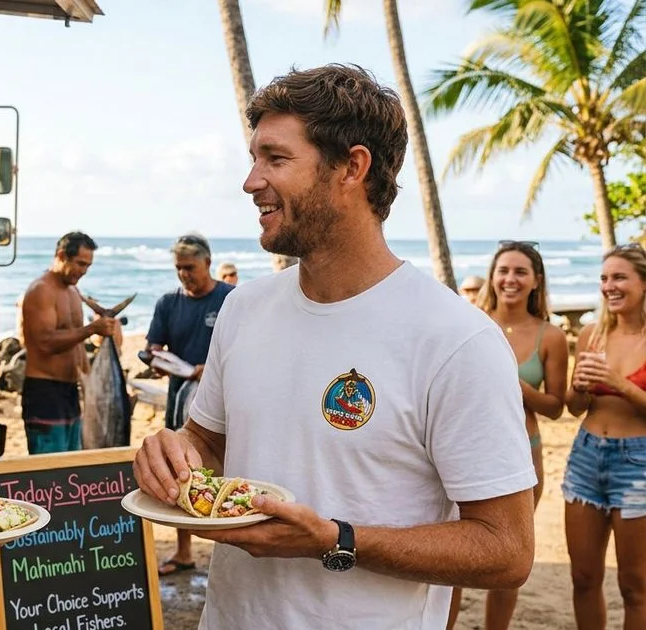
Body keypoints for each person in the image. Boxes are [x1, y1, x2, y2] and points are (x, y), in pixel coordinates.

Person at [132, 64, 536, 629]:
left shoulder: (455, 339)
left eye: (275, 159)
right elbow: (210, 445)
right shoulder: (243, 311)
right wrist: (175, 452)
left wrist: (333, 539)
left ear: (352, 166)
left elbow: (506, 550)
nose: (251, 181)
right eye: (254, 159)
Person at [469, 241, 567, 629]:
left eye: (520, 272)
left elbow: (556, 406)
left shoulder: (551, 336)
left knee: (510, 557)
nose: (510, 279)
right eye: (503, 270)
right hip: (466, 448)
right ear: (493, 277)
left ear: (536, 281)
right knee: (448, 553)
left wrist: (519, 387)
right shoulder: (469, 320)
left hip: (526, 450)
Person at [565, 243, 646, 630]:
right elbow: (574, 406)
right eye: (603, 278)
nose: (609, 286)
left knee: (635, 586)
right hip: (585, 457)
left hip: (638, 465)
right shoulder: (591, 335)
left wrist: (619, 384)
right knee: (582, 577)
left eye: (619, 278)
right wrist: (579, 387)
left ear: (643, 284)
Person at [146, 233, 234, 577]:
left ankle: (227, 550)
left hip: (222, 402)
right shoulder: (168, 303)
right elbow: (154, 345)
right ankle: (184, 552)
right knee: (183, 471)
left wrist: (206, 369)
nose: (184, 274)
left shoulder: (231, 299)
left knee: (226, 471)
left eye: (190, 267)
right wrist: (156, 358)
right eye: (179, 268)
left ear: (208, 263)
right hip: (179, 397)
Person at [19, 232, 118, 454]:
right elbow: (44, 342)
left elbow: (77, 344)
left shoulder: (74, 292)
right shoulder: (41, 290)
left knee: (70, 467)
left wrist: (89, 382)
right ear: (62, 255)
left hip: (71, 393)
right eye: (80, 264)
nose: (83, 271)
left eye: (88, 266)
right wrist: (92, 328)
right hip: (45, 392)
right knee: (48, 470)